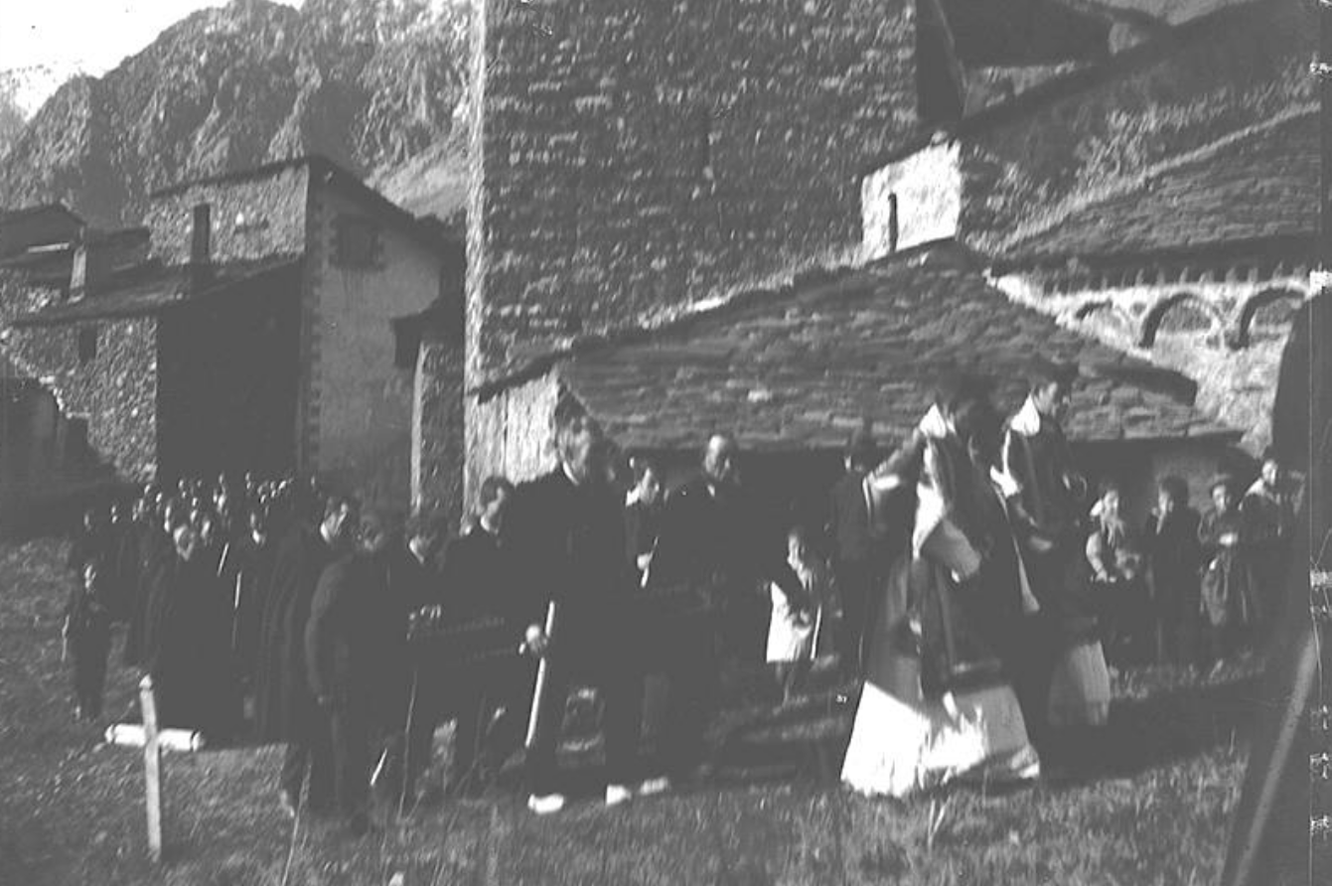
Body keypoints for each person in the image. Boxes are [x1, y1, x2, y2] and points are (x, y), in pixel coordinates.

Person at [840, 374, 1040, 797]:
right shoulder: (932, 451)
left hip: (952, 582)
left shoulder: (956, 452)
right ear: (953, 414)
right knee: (929, 673)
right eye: (971, 418)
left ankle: (986, 761)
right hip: (931, 584)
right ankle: (936, 764)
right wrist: (969, 563)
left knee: (972, 667)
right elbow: (930, 524)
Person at [504, 398, 650, 814]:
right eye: (589, 454)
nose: (596, 462)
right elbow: (517, 571)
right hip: (553, 619)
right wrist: (529, 625)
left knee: (622, 685)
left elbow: (614, 560)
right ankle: (541, 785)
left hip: (600, 613)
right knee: (547, 702)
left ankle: (620, 777)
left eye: (600, 452)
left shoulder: (605, 499)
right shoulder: (534, 499)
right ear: (568, 451)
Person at [648, 432, 811, 783]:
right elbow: (664, 562)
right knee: (683, 684)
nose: (727, 466)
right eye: (720, 459)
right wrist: (666, 601)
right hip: (687, 609)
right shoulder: (683, 500)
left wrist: (794, 590)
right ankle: (673, 760)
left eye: (732, 459)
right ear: (704, 461)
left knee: (708, 687)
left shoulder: (742, 505)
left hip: (726, 611)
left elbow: (767, 554)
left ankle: (697, 754)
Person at [1002, 359, 1109, 766]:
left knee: (1068, 624)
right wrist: (1034, 534)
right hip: (1035, 548)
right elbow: (1010, 493)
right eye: (1059, 395)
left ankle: (1069, 710)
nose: (1066, 402)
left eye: (1067, 396)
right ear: (1038, 393)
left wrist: (1074, 484)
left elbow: (1067, 473)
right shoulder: (1015, 435)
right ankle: (1036, 718)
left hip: (1063, 541)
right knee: (1040, 632)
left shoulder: (1054, 430)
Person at [258, 494, 355, 818]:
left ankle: (320, 797)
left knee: (326, 727)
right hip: (299, 650)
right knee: (302, 726)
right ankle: (289, 790)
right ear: (329, 516)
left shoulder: (341, 551)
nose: (349, 524)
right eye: (344, 517)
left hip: (328, 649)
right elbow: (293, 609)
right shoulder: (303, 550)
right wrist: (299, 653)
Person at [305, 509, 391, 836]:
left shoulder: (374, 570)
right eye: (382, 536)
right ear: (366, 539)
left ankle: (358, 810)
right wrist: (319, 681)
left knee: (359, 748)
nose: (388, 543)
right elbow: (316, 628)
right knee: (345, 750)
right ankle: (349, 817)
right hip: (341, 678)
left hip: (365, 675)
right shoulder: (340, 573)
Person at [142, 523, 236, 736]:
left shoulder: (199, 570)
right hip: (173, 653)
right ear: (183, 547)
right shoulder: (167, 578)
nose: (202, 547)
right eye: (197, 543)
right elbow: (161, 622)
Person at [826, 425, 879, 680]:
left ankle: (848, 667)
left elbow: (831, 529)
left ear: (849, 459)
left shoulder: (837, 490)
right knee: (873, 616)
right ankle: (870, 667)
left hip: (846, 562)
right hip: (873, 560)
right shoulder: (878, 487)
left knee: (851, 615)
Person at [766, 524, 831, 705]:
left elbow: (824, 593)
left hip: (810, 622)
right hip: (788, 624)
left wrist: (821, 613)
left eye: (802, 546)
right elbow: (778, 596)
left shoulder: (816, 568)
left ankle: (794, 690)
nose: (798, 551)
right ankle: (780, 691)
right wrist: (792, 613)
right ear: (788, 547)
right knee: (784, 659)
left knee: (804, 658)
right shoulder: (785, 569)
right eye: (794, 547)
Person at [1085, 480, 1147, 668]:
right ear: (1102, 501)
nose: (1116, 505)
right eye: (1111, 500)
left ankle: (1134, 660)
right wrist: (1104, 572)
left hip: (1132, 576)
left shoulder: (1128, 521)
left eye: (1119, 500)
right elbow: (1093, 552)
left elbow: (1137, 546)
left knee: (1132, 620)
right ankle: (1112, 664)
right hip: (1113, 580)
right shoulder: (1100, 524)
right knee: (1113, 623)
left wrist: (1139, 564)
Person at [1198, 475, 1256, 672]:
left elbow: (1252, 538)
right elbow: (1201, 542)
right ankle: (1220, 656)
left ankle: (1241, 651)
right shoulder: (1209, 518)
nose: (1223, 501)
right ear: (1213, 499)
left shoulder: (1242, 517)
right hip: (1218, 572)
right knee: (1218, 612)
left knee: (1240, 609)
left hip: (1240, 571)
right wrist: (1220, 541)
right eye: (1218, 496)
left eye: (1227, 496)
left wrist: (1241, 540)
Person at [1144, 476, 1202, 666]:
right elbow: (1149, 546)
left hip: (1186, 575)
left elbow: (1197, 544)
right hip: (1164, 577)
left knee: (1188, 617)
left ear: (1182, 501)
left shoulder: (1191, 518)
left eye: (1172, 501)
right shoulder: (1154, 520)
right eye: (1163, 501)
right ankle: (1166, 660)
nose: (1167, 506)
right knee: (1165, 617)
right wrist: (1160, 525)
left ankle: (1189, 659)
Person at [1240, 454, 1299, 635]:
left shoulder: (1282, 491)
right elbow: (1249, 529)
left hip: (1279, 548)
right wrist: (1272, 533)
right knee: (1262, 594)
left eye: (1278, 471)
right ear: (1262, 473)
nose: (1275, 476)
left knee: (1280, 589)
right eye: (1270, 472)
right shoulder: (1254, 496)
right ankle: (1264, 634)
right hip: (1260, 551)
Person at [63, 561, 114, 720]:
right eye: (90, 573)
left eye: (95, 573)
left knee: (97, 676)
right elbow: (69, 613)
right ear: (85, 575)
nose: (93, 576)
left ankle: (94, 711)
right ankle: (81, 706)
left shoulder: (104, 594)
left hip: (97, 642)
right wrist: (66, 636)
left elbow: (109, 617)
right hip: (80, 642)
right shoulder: (76, 593)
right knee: (80, 676)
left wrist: (100, 610)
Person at [624, 457, 664, 587]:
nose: (658, 489)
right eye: (651, 483)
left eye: (660, 483)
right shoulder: (630, 516)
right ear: (639, 484)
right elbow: (631, 560)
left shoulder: (662, 514)